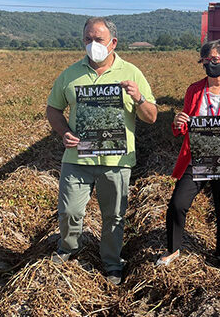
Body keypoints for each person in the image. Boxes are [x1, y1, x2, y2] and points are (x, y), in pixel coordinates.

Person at [46, 17, 157, 285]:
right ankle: (68, 248)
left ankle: (111, 262)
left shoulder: (131, 72)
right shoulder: (70, 74)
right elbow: (53, 109)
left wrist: (138, 98)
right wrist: (64, 132)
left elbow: (151, 116)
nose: (93, 44)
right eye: (88, 39)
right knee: (70, 210)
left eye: (99, 39)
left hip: (116, 160)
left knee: (114, 215)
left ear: (113, 43)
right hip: (77, 157)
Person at [156, 39, 220, 272]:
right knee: (177, 203)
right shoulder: (194, 90)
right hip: (198, 158)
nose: (211, 64)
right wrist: (178, 122)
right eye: (206, 60)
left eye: (215, 59)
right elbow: (182, 126)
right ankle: (173, 249)